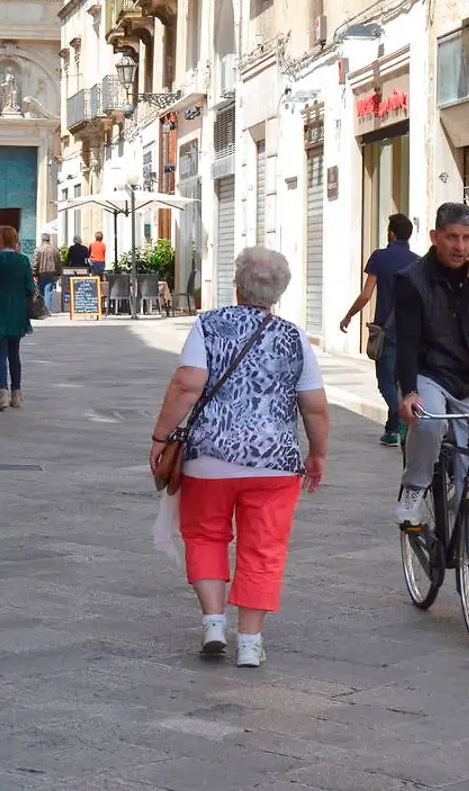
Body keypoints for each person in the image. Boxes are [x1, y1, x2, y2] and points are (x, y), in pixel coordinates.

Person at [148, 247, 328, 668]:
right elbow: (315, 406)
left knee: (206, 535)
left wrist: (160, 437)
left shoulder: (208, 325)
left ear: (237, 285)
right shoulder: (293, 336)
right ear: (278, 292)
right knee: (262, 548)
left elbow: (186, 385)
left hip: (209, 457)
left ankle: (214, 624)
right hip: (275, 462)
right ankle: (249, 643)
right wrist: (318, 453)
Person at [392, 203, 469, 600]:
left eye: (467, 237)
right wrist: (409, 392)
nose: (461, 246)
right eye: (452, 237)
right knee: (427, 423)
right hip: (433, 374)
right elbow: (407, 343)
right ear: (435, 237)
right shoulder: (411, 279)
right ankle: (414, 490)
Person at [339, 214, 418, 447]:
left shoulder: (380, 258)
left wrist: (349, 316)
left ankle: (401, 419)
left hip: (387, 330)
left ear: (391, 233)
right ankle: (392, 429)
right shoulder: (418, 261)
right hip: (411, 332)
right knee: (402, 381)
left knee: (385, 381)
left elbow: (366, 295)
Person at [0, 225, 35, 412]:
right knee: (14, 353)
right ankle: (17, 394)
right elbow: (30, 288)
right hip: (17, 312)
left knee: (0, 353)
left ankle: (2, 393)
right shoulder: (23, 261)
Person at [32, 233, 61, 309]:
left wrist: (34, 274)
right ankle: (47, 309)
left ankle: (43, 309)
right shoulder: (55, 249)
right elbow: (58, 262)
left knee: (42, 291)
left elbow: (35, 263)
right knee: (48, 290)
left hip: (41, 272)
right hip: (52, 272)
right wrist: (59, 273)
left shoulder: (38, 249)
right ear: (49, 239)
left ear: (42, 239)